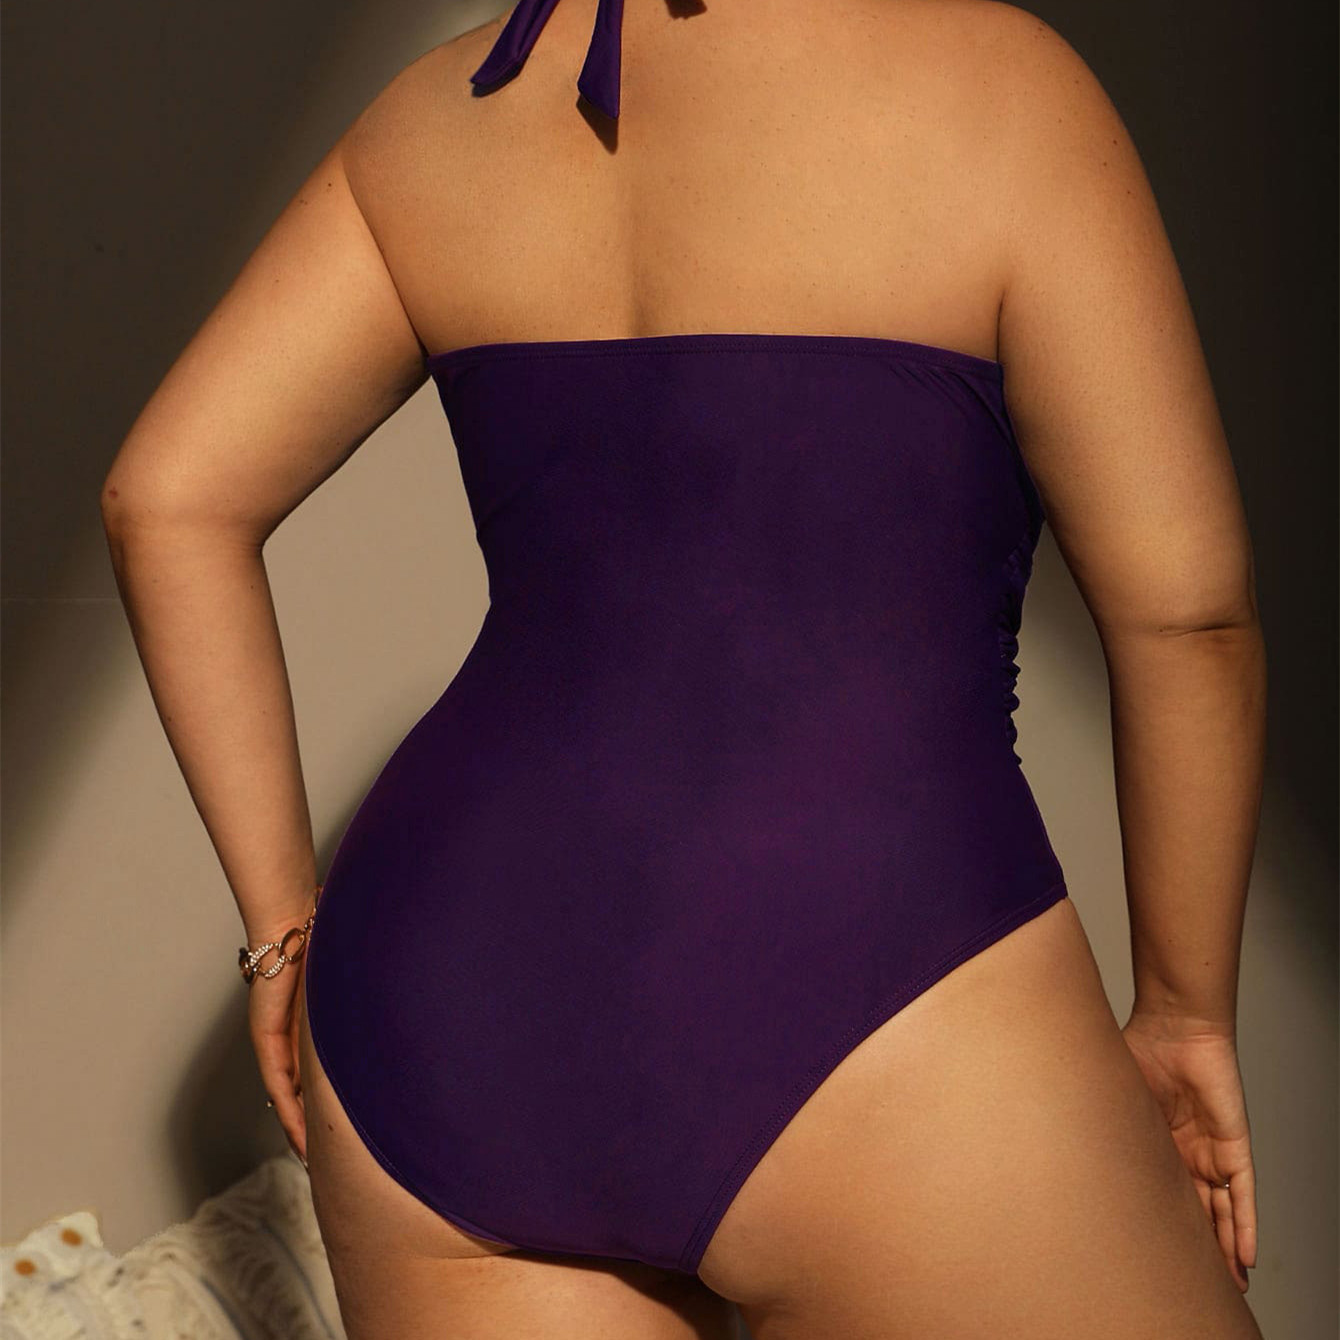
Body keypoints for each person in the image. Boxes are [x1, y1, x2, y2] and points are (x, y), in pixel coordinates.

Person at [100, 1, 1268, 1336]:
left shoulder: (433, 121)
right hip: (870, 967)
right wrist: (1185, 1011)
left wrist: (281, 933)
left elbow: (167, 499)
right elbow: (1189, 619)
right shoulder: (1005, 90)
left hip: (448, 1012)